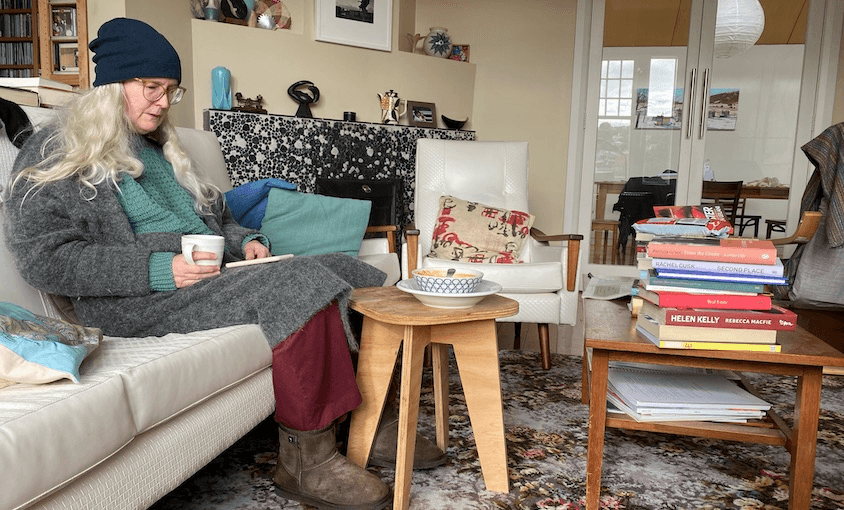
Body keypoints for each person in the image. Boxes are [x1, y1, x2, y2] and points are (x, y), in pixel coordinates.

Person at [2, 18, 442, 510]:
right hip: (130, 299)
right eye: (152, 88)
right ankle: (306, 461)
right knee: (299, 284)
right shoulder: (57, 149)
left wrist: (247, 241)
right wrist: (156, 269)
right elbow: (45, 259)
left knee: (350, 269)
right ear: (111, 86)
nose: (164, 102)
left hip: (198, 278)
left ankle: (372, 419)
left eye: (171, 90)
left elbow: (217, 223)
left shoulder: (160, 149)